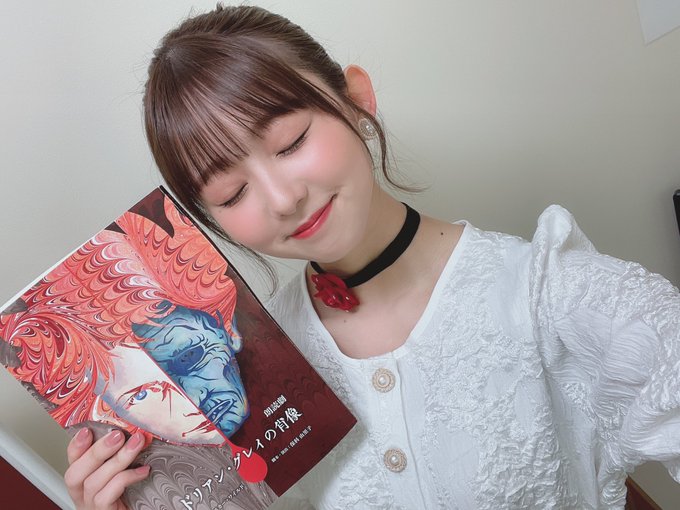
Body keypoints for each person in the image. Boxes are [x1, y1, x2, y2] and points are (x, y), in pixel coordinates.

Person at [63, 4, 680, 510]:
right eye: (231, 193)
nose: (283, 199)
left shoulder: (552, 294)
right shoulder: (237, 372)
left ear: (355, 98)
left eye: (290, 142)